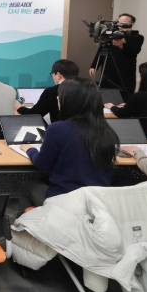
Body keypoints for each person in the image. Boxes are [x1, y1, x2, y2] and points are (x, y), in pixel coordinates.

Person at [18, 78, 120, 214]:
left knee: (26, 185)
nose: (57, 98)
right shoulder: (106, 130)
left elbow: (43, 163)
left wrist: (30, 150)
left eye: (61, 95)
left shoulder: (58, 129)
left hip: (64, 202)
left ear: (71, 101)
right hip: (97, 203)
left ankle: (31, 223)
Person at [89, 13, 144, 96]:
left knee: (124, 98)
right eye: (119, 21)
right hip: (107, 72)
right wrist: (94, 66)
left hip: (125, 74)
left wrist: (122, 45)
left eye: (124, 21)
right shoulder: (110, 35)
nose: (120, 23)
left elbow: (135, 51)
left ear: (132, 23)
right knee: (105, 97)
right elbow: (101, 50)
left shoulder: (137, 37)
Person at [15, 59, 79, 123]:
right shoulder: (83, 89)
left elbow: (35, 114)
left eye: (52, 74)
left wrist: (20, 108)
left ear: (58, 75)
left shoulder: (52, 92)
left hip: (59, 128)